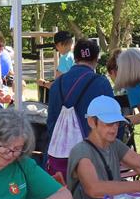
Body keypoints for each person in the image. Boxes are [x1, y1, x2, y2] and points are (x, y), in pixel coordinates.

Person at [67, 95, 140, 199]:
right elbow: (94, 189)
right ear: (91, 122)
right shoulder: (81, 151)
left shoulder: (114, 144)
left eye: (117, 123)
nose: (114, 128)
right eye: (108, 123)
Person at [44, 38, 115, 170]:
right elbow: (112, 121)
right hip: (92, 156)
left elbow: (51, 121)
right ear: (96, 59)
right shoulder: (101, 83)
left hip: (58, 155)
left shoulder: (57, 84)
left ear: (75, 58)